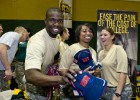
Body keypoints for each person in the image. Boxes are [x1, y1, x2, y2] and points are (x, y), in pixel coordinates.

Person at [24, 7, 69, 100]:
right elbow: (30, 75)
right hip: (35, 89)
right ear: (45, 21)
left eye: (60, 21)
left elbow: (54, 57)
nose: (56, 24)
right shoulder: (37, 41)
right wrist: (59, 79)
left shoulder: (57, 38)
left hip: (47, 85)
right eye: (52, 20)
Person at [59, 23, 97, 100]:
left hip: (88, 91)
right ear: (78, 34)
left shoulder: (93, 52)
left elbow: (93, 70)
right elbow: (62, 70)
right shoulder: (72, 48)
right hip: (73, 92)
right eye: (84, 31)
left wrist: (96, 71)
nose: (88, 33)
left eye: (90, 31)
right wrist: (79, 74)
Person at [98, 27, 133, 100]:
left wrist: (118, 93)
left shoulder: (118, 49)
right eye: (101, 35)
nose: (102, 37)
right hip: (106, 89)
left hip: (121, 90)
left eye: (105, 35)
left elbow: (123, 72)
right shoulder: (101, 53)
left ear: (112, 36)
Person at [0, 26, 29, 92]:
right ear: (23, 33)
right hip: (1, 69)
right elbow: (1, 49)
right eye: (26, 36)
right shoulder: (14, 35)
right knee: (4, 93)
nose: (26, 39)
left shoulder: (13, 38)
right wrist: (8, 69)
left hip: (2, 69)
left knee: (4, 92)